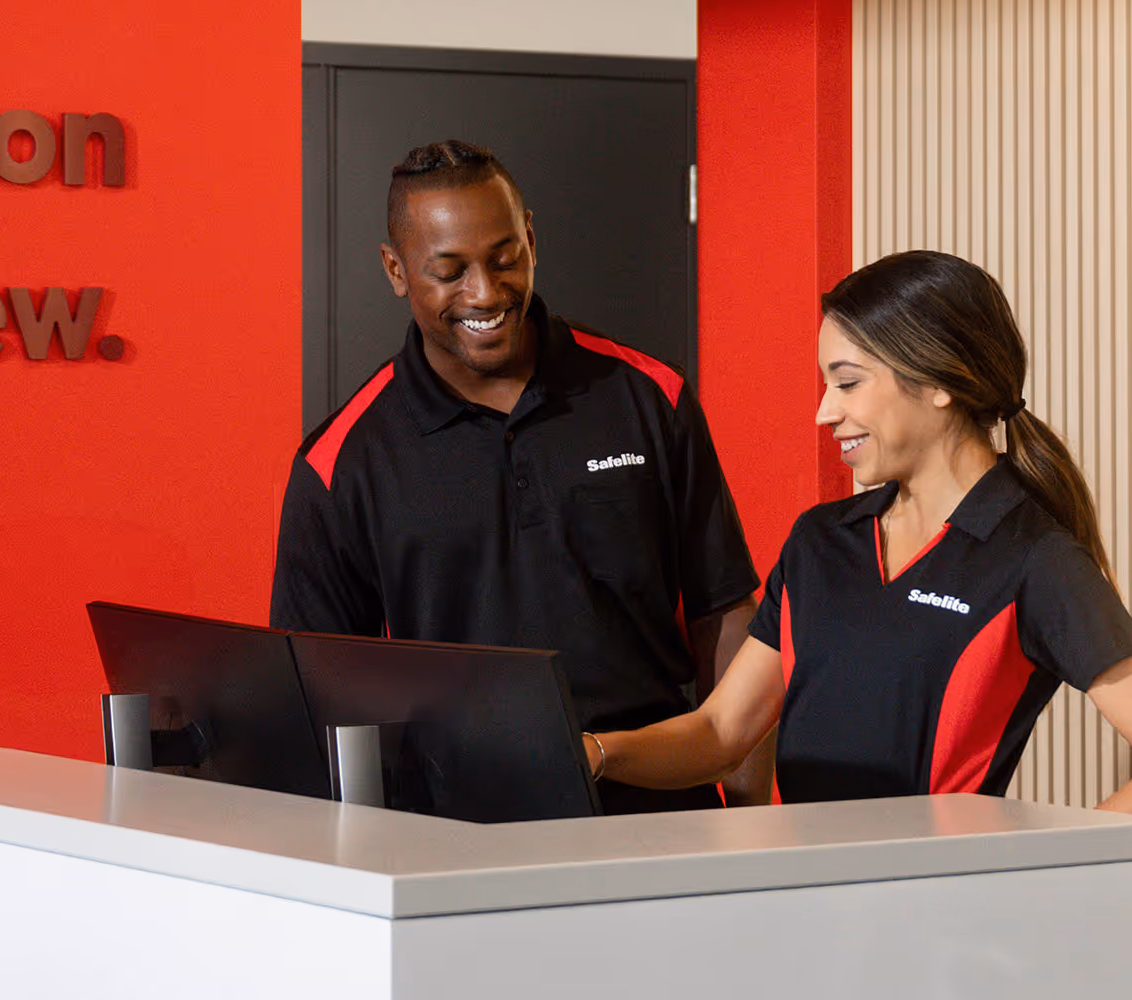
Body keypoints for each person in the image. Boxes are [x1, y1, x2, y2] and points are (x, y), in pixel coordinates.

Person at [587, 249, 1132, 821]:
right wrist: (592, 753)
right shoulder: (819, 543)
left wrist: (1040, 875)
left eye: (847, 382)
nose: (824, 411)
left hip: (930, 924)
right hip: (803, 905)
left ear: (939, 381)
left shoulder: (1033, 557)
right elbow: (722, 733)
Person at [274, 138, 765, 811]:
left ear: (530, 236)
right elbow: (316, 690)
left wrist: (744, 819)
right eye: (449, 271)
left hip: (651, 811)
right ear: (395, 270)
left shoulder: (649, 396)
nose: (485, 291)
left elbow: (725, 608)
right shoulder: (340, 460)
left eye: (504, 257)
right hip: (447, 832)